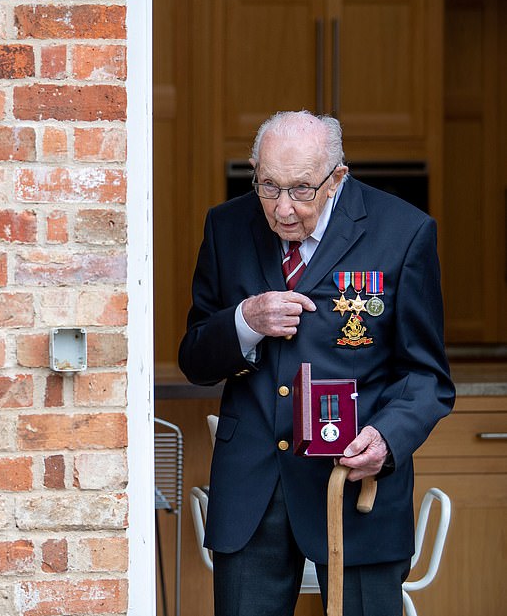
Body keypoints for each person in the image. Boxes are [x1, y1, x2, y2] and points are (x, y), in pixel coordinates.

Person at [179, 110, 454, 616]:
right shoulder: (227, 226)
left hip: (354, 489)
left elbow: (427, 377)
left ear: (337, 179)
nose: (283, 208)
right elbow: (195, 357)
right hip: (252, 494)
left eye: (301, 189)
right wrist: (243, 321)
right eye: (268, 186)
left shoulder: (404, 232)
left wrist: (388, 439)